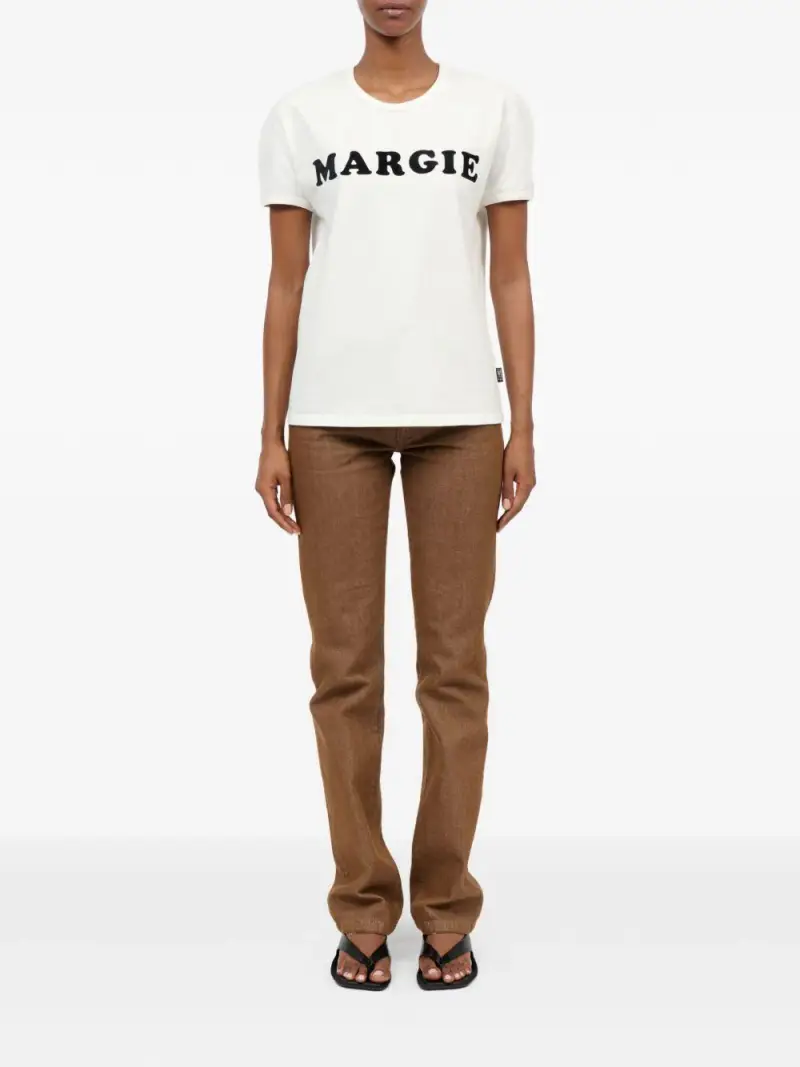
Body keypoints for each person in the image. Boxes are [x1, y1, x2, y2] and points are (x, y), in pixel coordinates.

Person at [255, 0, 535, 991]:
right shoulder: (300, 116)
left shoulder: (493, 110)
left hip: (460, 419)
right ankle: (363, 906)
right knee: (344, 673)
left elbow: (510, 276)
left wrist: (523, 422)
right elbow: (285, 284)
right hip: (330, 422)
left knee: (454, 672)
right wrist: (271, 431)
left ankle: (446, 905)